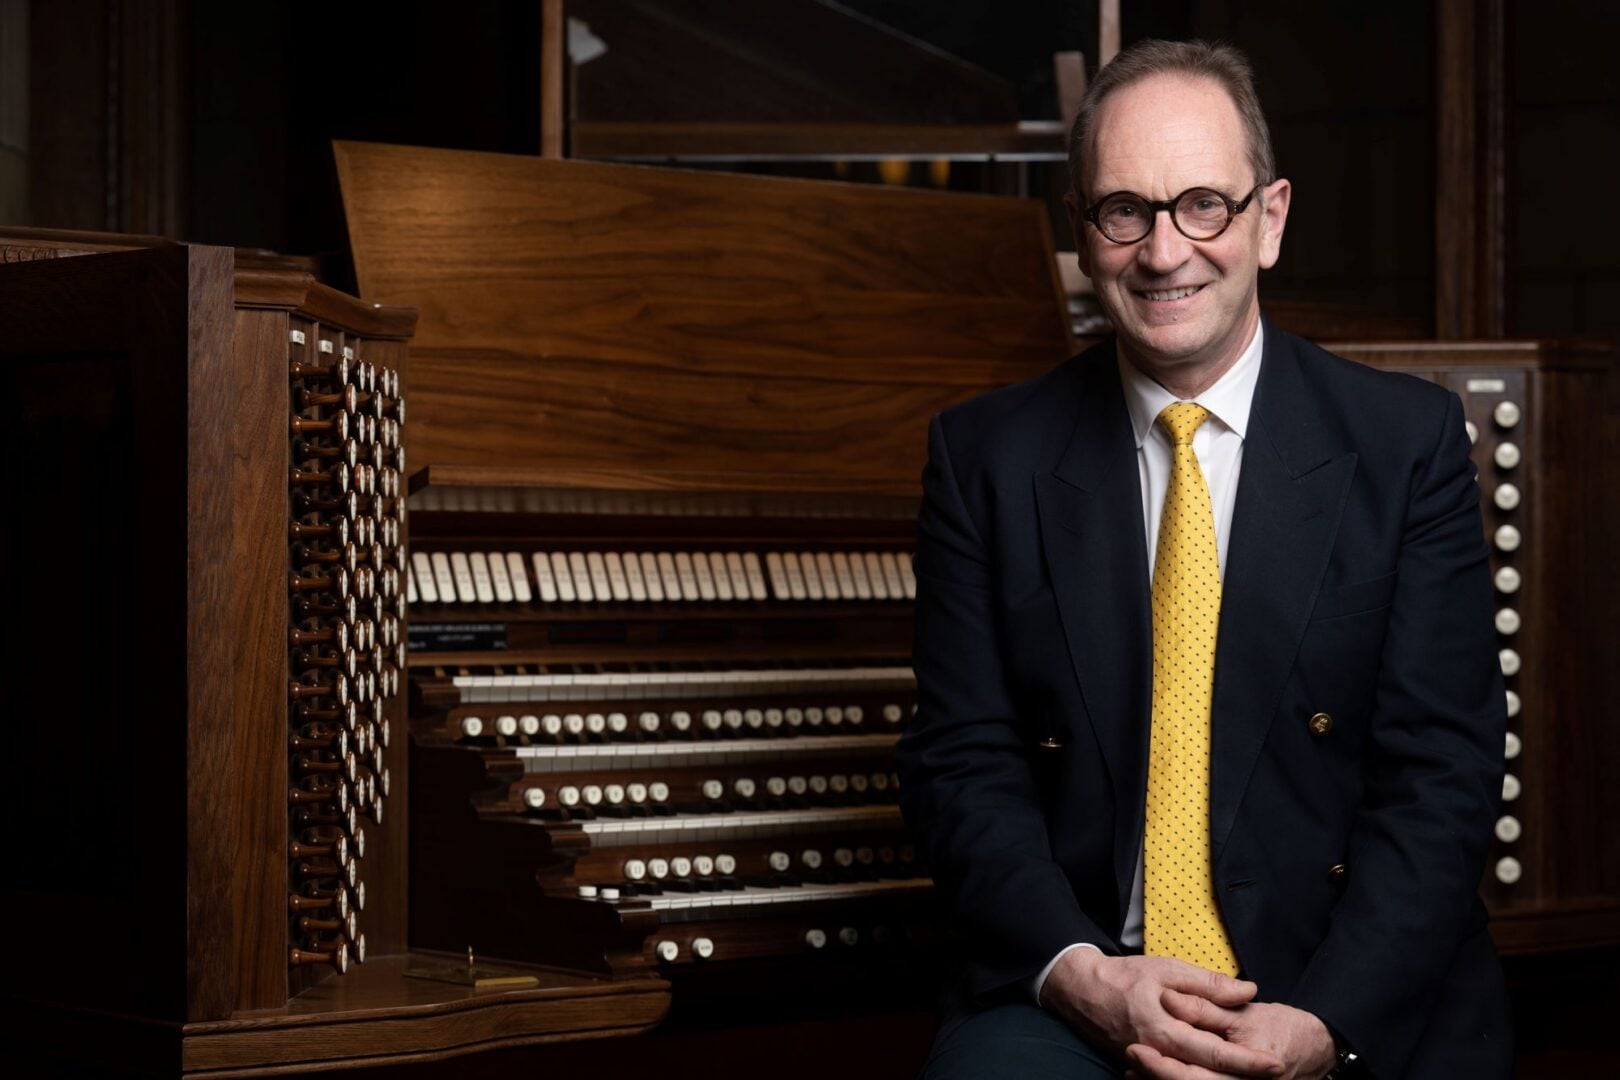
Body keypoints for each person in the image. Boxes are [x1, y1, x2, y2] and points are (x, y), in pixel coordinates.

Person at [895, 38, 1510, 1080]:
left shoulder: (1405, 446)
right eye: (1124, 210)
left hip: (1340, 986)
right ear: (1085, 236)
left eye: (1202, 206)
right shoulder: (985, 458)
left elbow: (1442, 778)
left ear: (1268, 218)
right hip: (1085, 986)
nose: (1164, 250)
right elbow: (963, 766)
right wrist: (1086, 977)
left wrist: (1318, 1024)